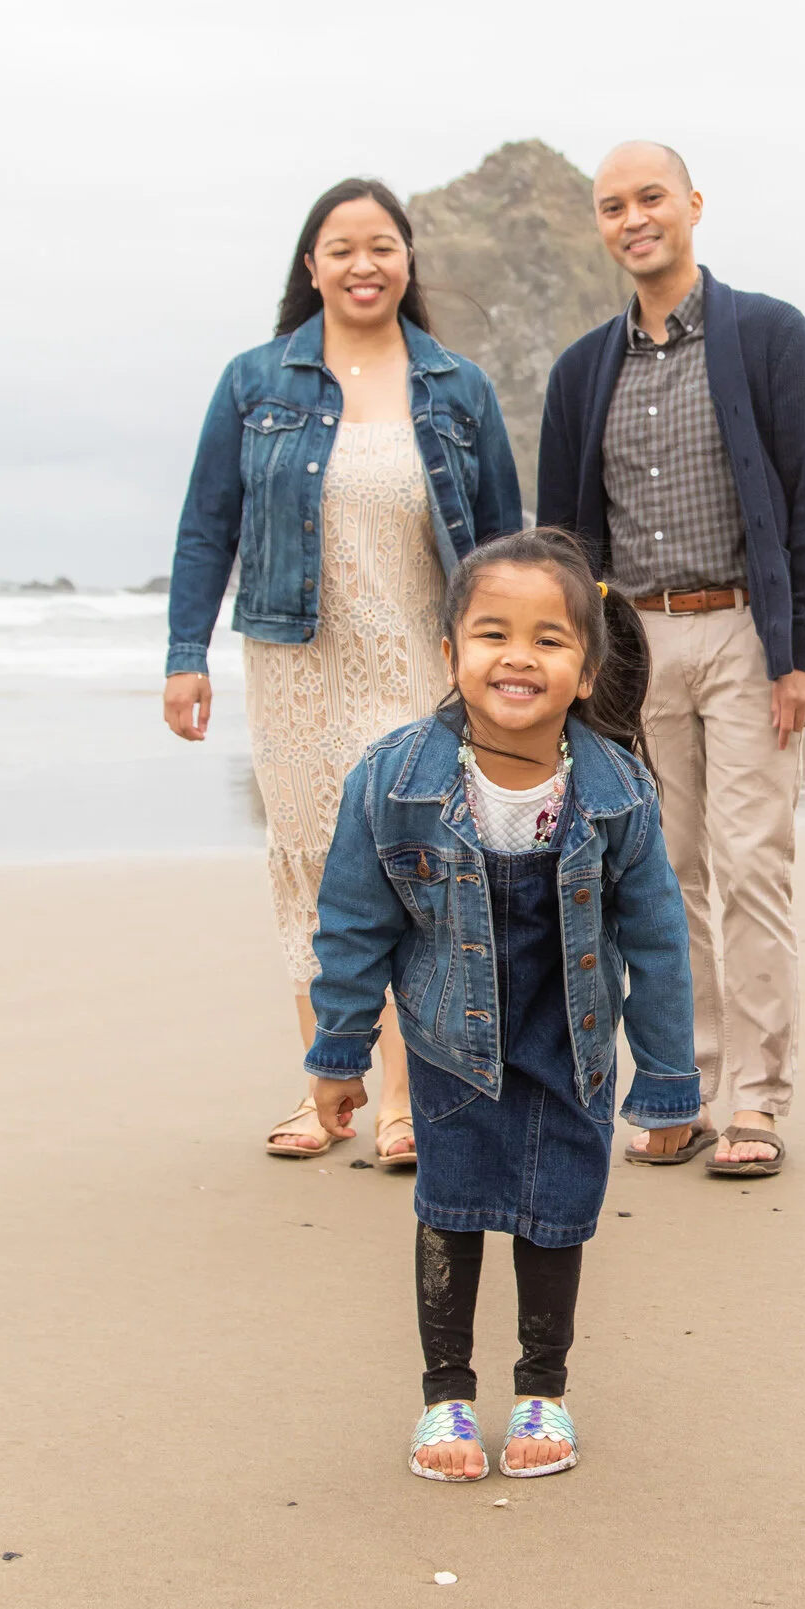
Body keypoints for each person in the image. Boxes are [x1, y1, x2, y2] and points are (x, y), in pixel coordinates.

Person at [305, 529, 699, 1480]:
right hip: (448, 1038)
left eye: (548, 640)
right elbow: (354, 925)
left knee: (555, 1214)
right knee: (451, 1207)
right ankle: (445, 1400)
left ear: (586, 667)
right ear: (450, 654)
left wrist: (669, 1085)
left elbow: (656, 943)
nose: (517, 656)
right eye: (491, 634)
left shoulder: (616, 792)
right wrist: (337, 1055)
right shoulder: (392, 781)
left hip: (571, 1042)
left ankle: (543, 1391)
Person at [164, 178, 523, 1160]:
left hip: (423, 665)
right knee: (313, 867)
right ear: (311, 266)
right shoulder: (254, 382)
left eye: (382, 245)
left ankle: (406, 1100)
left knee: (414, 869)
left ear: (407, 261)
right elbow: (206, 527)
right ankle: (328, 1089)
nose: (363, 264)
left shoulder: (457, 387)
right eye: (340, 247)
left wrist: (508, 666)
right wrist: (184, 655)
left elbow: (502, 546)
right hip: (293, 665)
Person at [537, 142, 805, 1179]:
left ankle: (755, 1101)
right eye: (612, 205)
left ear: (692, 206)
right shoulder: (586, 369)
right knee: (659, 883)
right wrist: (571, 668)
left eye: (650, 197)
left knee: (751, 863)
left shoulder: (768, 335)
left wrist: (803, 651)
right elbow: (561, 540)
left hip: (744, 637)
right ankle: (681, 1092)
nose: (633, 218)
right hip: (632, 648)